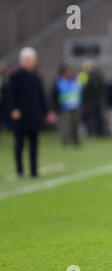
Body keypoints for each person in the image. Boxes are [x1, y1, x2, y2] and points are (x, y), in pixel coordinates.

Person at [8, 47, 56, 179]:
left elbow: (42, 97)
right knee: (19, 145)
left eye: (31, 60)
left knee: (34, 145)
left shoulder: (36, 77)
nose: (29, 63)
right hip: (20, 117)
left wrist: (48, 112)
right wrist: (13, 110)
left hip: (34, 116)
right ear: (22, 61)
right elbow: (10, 96)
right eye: (27, 60)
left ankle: (34, 171)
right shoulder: (15, 76)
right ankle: (20, 171)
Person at [52, 64, 83, 146]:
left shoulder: (76, 81)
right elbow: (54, 96)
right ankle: (65, 141)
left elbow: (81, 92)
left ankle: (75, 140)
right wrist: (56, 108)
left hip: (75, 106)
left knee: (75, 125)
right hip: (64, 108)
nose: (69, 73)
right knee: (65, 125)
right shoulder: (59, 82)